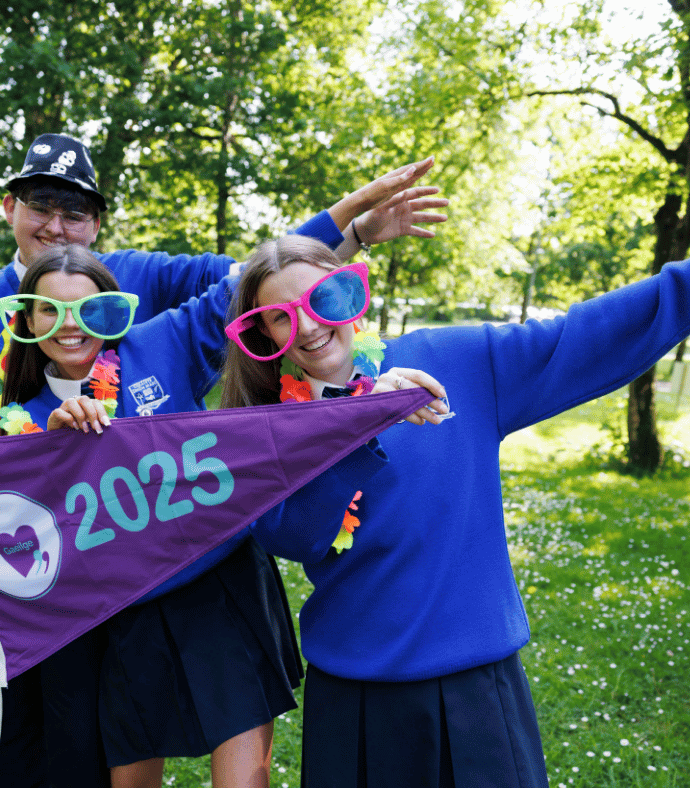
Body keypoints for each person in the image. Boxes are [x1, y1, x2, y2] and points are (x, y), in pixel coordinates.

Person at [0, 132, 448, 788]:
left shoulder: (161, 327)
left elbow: (255, 282)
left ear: (114, 294)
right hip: (97, 593)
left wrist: (349, 227)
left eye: (75, 212)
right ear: (21, 318)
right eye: (47, 311)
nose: (70, 323)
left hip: (208, 574)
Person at [220, 234, 690, 787]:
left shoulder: (457, 360)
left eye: (320, 298)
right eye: (281, 316)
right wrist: (362, 421)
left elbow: (584, 337)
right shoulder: (269, 426)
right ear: (263, 334)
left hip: (477, 693)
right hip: (354, 701)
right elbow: (294, 538)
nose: (307, 325)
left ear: (348, 292)